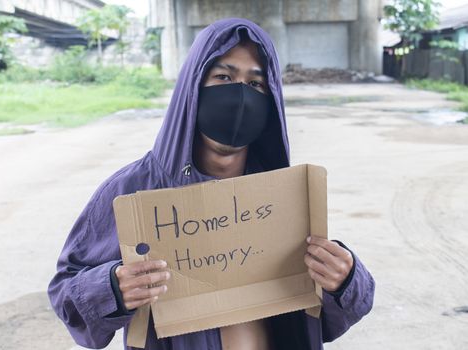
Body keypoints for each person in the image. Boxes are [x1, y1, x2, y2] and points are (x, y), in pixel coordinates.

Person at [48, 18, 375, 350]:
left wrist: (344, 279)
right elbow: (66, 294)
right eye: (224, 77)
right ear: (193, 86)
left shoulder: (285, 195)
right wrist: (112, 289)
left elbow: (327, 319)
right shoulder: (132, 190)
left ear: (271, 97)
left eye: (255, 84)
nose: (240, 96)